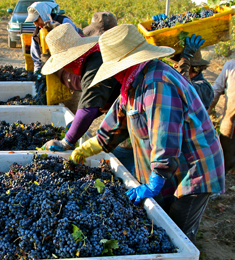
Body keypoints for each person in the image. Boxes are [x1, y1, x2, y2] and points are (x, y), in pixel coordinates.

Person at [71, 24, 225, 244]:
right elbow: (118, 119)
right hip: (174, 165)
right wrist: (89, 147)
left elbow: (165, 133)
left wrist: (157, 177)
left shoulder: (157, 83)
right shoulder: (132, 83)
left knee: (179, 235)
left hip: (194, 169)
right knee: (163, 227)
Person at [39, 24, 121, 155]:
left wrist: (66, 141)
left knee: (124, 152)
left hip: (138, 107)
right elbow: (98, 100)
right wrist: (75, 124)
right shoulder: (93, 55)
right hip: (125, 107)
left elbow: (89, 106)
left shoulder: (96, 62)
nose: (65, 69)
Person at [25, 2, 83, 75]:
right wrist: (38, 73)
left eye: (37, 20)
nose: (35, 24)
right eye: (33, 21)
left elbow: (77, 42)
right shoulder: (36, 35)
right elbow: (37, 60)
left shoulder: (64, 22)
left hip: (70, 67)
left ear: (44, 14)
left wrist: (58, 29)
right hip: (52, 71)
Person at [208, 59, 235, 173]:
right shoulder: (231, 66)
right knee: (226, 160)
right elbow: (215, 91)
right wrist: (206, 111)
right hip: (231, 126)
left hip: (230, 125)